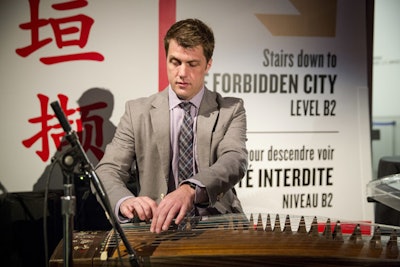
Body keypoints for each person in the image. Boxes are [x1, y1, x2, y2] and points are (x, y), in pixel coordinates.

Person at [95, 18, 248, 234]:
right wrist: (125, 201)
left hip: (217, 223)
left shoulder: (230, 109)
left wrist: (191, 188)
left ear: (208, 64)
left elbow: (234, 160)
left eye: (192, 64)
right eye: (175, 62)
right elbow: (107, 169)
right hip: (157, 228)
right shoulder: (137, 112)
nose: (182, 73)